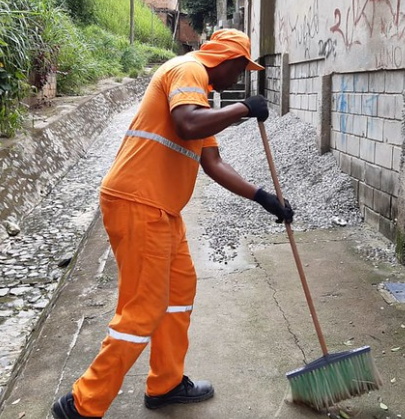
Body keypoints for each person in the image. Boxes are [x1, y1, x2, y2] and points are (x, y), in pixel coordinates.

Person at [51, 29, 294, 419]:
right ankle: (82, 403)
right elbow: (187, 124)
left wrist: (265, 199)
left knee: (180, 291)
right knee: (143, 307)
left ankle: (165, 383)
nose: (240, 78)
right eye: (241, 69)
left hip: (162, 208)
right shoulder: (188, 70)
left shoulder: (202, 95)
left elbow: (212, 163)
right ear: (227, 60)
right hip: (138, 201)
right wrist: (243, 110)